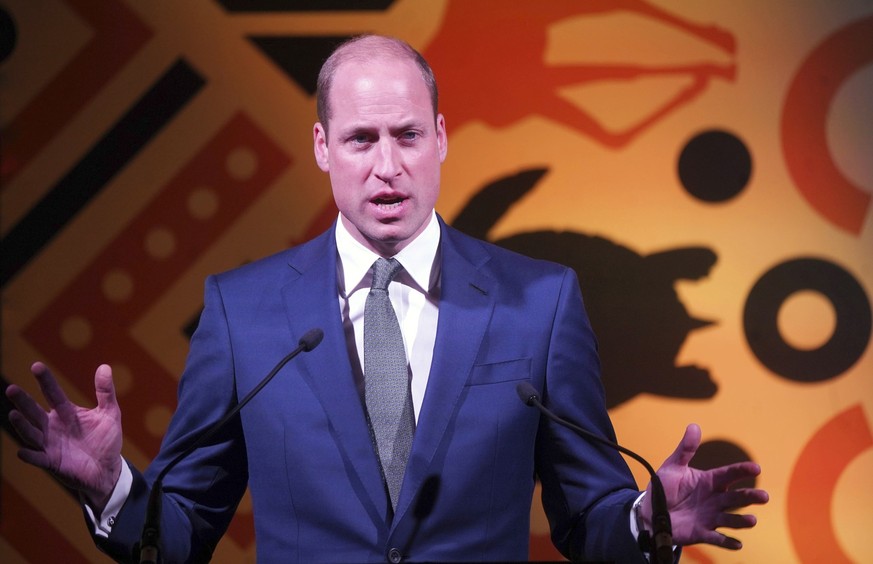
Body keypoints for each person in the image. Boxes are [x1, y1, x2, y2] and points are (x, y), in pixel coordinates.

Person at [5, 35, 768, 563]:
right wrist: (112, 488)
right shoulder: (244, 313)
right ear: (321, 147)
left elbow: (588, 517)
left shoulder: (540, 302)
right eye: (362, 139)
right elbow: (178, 535)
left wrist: (646, 521)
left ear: (440, 137)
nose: (387, 167)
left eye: (406, 135)